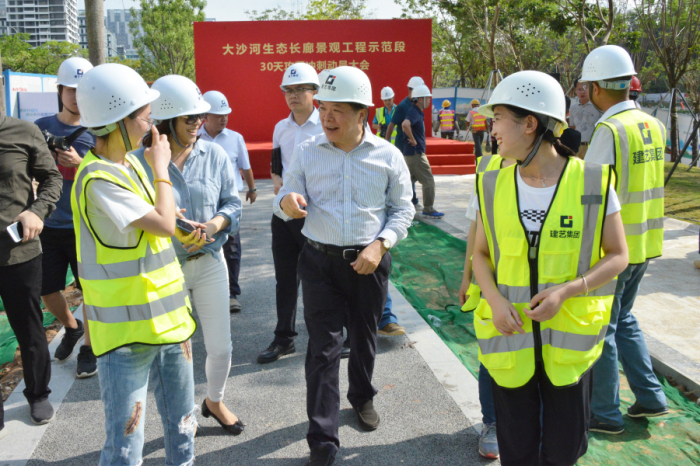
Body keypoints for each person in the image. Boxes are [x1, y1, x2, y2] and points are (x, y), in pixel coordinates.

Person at [472, 70, 629, 466]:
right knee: (517, 448)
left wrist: (567, 291)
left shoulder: (592, 182)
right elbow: (480, 255)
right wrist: (494, 300)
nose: (492, 129)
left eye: (498, 118)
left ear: (529, 124)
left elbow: (618, 255)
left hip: (568, 345)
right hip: (511, 339)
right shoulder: (491, 182)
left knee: (564, 449)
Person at [274, 66, 414, 466]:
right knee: (323, 349)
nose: (327, 117)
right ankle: (322, 440)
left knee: (365, 337)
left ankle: (362, 396)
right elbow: (286, 193)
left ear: (361, 114)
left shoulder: (388, 155)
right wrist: (286, 202)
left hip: (369, 263)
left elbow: (403, 210)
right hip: (319, 262)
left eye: (337, 110)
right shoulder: (307, 151)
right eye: (323, 108)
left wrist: (381, 245)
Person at [73, 63, 198, 465]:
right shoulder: (98, 178)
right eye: (144, 116)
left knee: (184, 427)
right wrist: (161, 166)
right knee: (125, 448)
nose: (151, 124)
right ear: (118, 119)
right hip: (126, 337)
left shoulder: (127, 165)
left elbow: (157, 222)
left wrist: (178, 223)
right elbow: (161, 223)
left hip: (170, 325)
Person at [133, 75, 244, 435]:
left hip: (210, 262)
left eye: (200, 116)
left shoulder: (215, 155)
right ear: (166, 120)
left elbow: (232, 203)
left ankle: (215, 401)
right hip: (164, 267)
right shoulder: (139, 162)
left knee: (221, 348)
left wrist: (212, 226)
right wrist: (167, 222)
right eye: (190, 117)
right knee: (175, 352)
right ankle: (182, 416)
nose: (199, 123)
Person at [581, 44, 669, 435]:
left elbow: (591, 193)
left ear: (597, 87)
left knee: (604, 327)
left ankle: (605, 413)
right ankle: (651, 397)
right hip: (646, 244)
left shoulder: (609, 130)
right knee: (625, 319)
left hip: (614, 250)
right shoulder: (653, 125)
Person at [34, 56, 98, 378]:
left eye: (82, 89)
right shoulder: (40, 127)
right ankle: (72, 327)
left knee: (91, 290)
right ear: (59, 89)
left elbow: (116, 174)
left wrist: (80, 163)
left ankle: (89, 347)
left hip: (85, 225)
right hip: (47, 223)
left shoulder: (100, 128)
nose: (75, 96)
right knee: (46, 288)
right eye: (70, 89)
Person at [0, 111, 62, 432]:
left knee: (29, 327)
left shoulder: (22, 132)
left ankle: (38, 393)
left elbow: (52, 179)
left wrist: (37, 211)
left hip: (19, 253)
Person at [259, 63, 323, 365]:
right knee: (285, 279)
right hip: (283, 214)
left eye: (300, 89)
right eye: (288, 90)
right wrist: (278, 186)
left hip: (315, 215)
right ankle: (284, 338)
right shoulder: (280, 128)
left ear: (315, 92)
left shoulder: (326, 125)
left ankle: (328, 335)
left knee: (320, 279)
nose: (293, 95)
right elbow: (276, 163)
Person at [458, 152, 515, 460]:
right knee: (491, 356)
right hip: (493, 284)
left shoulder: (562, 170)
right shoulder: (488, 168)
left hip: (539, 290)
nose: (494, 130)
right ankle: (491, 423)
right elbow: (475, 227)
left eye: (499, 125)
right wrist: (466, 276)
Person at [199, 89, 257, 313]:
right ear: (206, 116)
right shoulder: (194, 137)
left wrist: (252, 188)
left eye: (226, 114)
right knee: (202, 243)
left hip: (229, 202)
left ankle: (231, 293)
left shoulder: (235, 138)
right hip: (203, 200)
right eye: (218, 115)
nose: (223, 118)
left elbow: (245, 166)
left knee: (231, 246)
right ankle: (204, 292)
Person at [402, 84, 444, 218]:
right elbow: (405, 124)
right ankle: (428, 208)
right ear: (420, 99)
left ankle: (395, 205)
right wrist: (413, 139)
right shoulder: (414, 111)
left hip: (411, 154)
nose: (429, 100)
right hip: (416, 154)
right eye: (427, 98)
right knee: (428, 181)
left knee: (406, 182)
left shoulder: (416, 111)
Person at [387, 76, 424, 206]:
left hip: (415, 147)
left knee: (410, 175)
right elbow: (391, 125)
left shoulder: (417, 104)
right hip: (404, 147)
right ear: (410, 90)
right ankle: (410, 200)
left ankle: (410, 199)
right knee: (407, 173)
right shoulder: (403, 106)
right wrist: (386, 144)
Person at [569, 78, 603, 159]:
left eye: (585, 88)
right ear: (575, 90)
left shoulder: (598, 106)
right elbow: (573, 127)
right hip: (577, 148)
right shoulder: (573, 108)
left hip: (593, 147)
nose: (582, 92)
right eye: (579, 89)